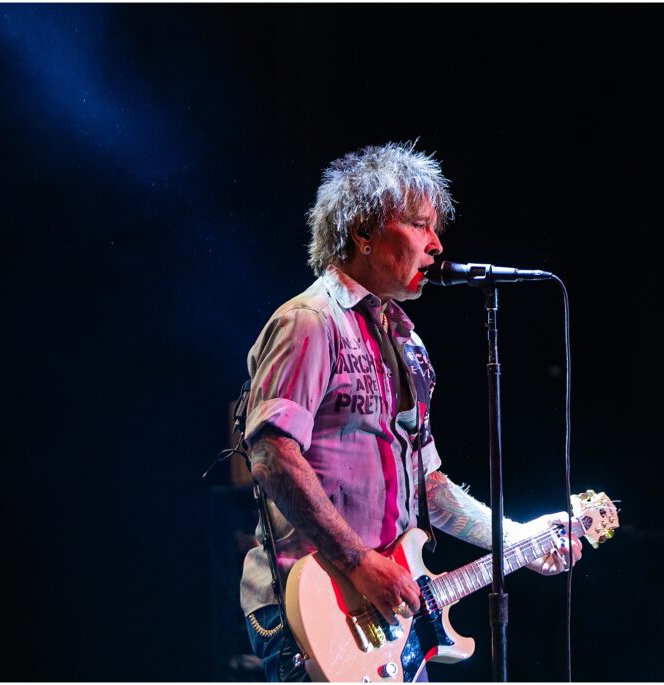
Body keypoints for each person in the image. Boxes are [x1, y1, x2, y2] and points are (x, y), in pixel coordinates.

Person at [240, 141, 582, 682]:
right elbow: (272, 456)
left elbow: (431, 488)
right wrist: (360, 563)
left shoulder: (407, 343)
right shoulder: (308, 322)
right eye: (420, 224)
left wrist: (517, 538)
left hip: (385, 614)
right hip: (311, 605)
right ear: (364, 233)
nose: (436, 244)